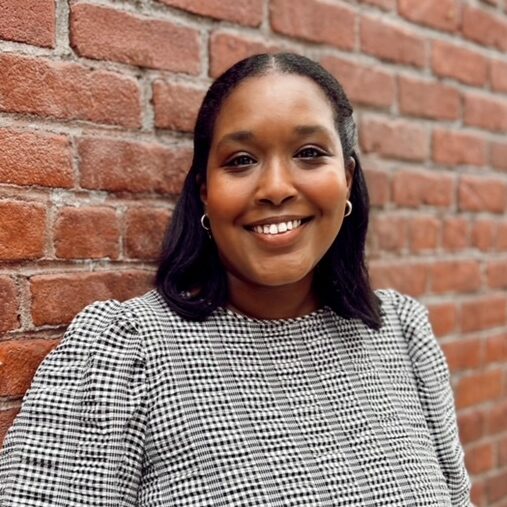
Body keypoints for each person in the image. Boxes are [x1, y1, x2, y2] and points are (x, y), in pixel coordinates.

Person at [0, 53, 471, 506]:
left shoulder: (402, 334)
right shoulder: (126, 354)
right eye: (241, 160)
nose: (276, 188)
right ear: (204, 190)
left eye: (309, 153)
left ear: (347, 178)